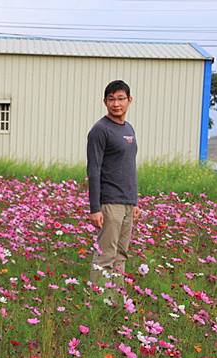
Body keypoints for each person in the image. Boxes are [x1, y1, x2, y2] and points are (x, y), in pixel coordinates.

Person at [86, 80, 140, 305]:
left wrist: (135, 202)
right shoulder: (100, 130)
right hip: (110, 203)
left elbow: (130, 167)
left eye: (120, 98)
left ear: (129, 100)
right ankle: (98, 303)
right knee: (106, 256)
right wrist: (95, 208)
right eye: (111, 99)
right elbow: (94, 169)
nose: (116, 104)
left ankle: (115, 301)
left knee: (121, 255)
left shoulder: (128, 129)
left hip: (127, 202)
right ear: (104, 102)